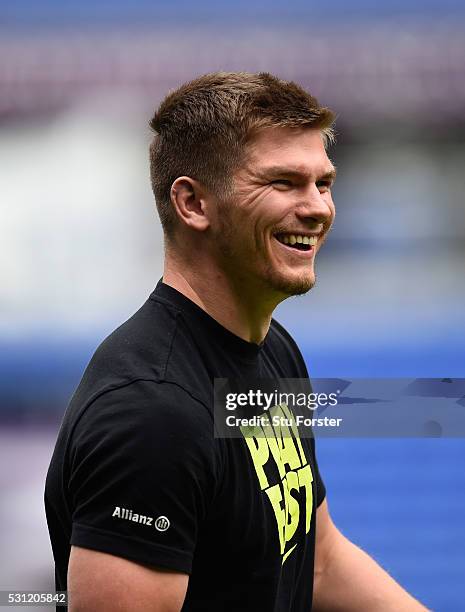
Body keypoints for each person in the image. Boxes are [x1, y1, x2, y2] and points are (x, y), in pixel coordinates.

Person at [45, 71, 427, 611]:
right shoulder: (152, 413)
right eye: (283, 183)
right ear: (193, 204)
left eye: (324, 183)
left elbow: (315, 559)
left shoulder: (274, 349)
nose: (318, 207)